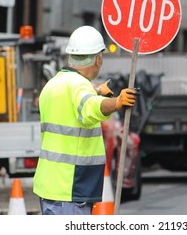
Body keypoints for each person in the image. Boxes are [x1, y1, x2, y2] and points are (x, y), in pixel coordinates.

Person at [33, 25, 137, 215]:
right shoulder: (80, 86)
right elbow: (89, 108)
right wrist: (116, 102)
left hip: (49, 185)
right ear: (97, 59)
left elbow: (71, 106)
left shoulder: (53, 84)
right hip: (70, 186)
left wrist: (97, 91)